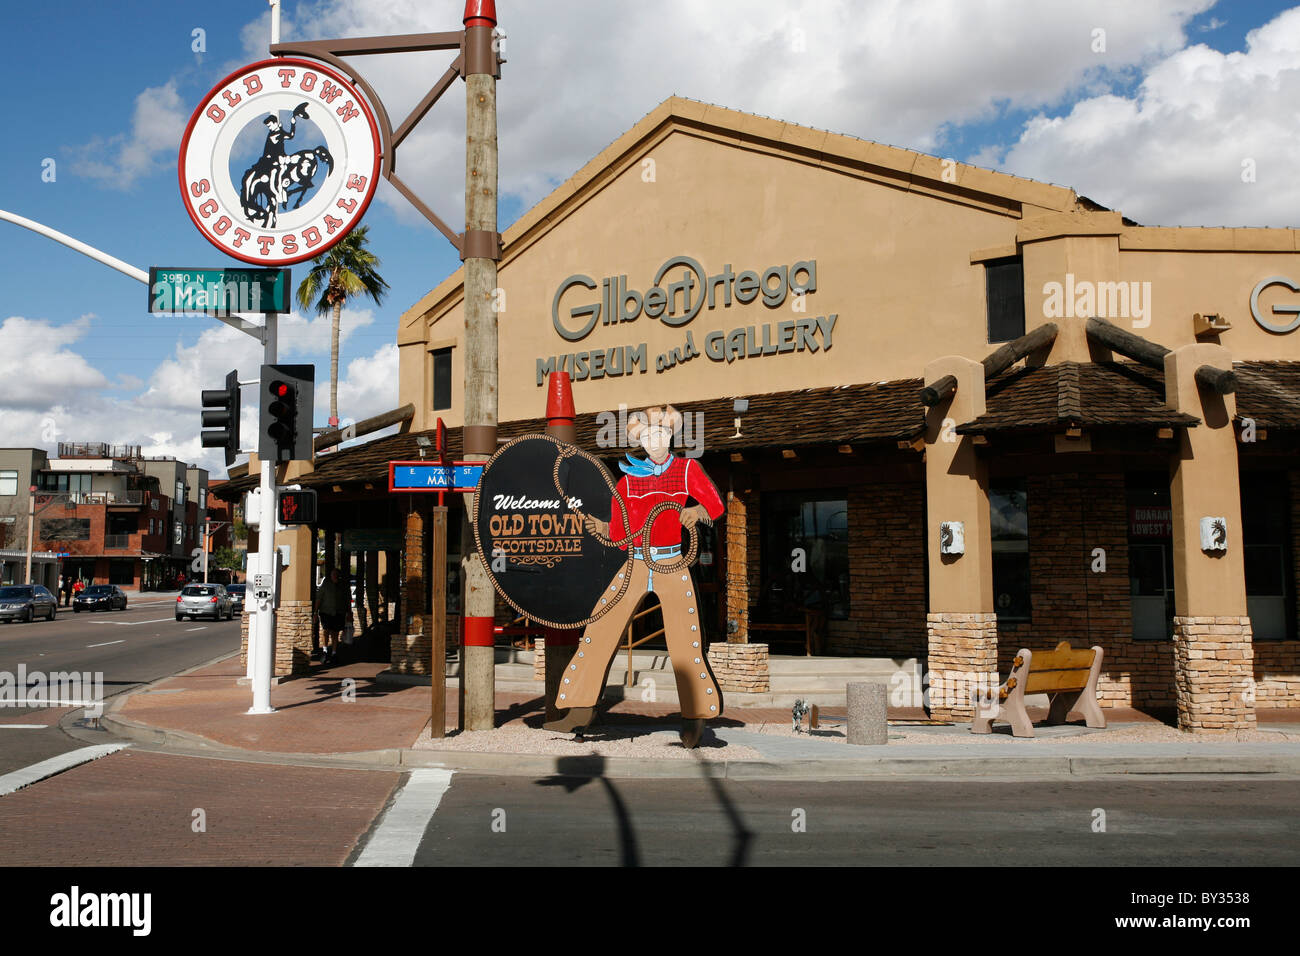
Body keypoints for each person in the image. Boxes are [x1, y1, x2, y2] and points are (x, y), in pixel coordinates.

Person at [315, 568, 352, 666]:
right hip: (326, 612)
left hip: (339, 613)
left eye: (336, 574)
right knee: (326, 631)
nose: (335, 576)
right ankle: (325, 650)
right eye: (333, 574)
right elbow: (319, 598)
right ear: (330, 575)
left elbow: (348, 600)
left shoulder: (343, 586)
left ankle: (334, 653)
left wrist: (349, 612)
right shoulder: (325, 585)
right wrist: (315, 612)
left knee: (335, 633)